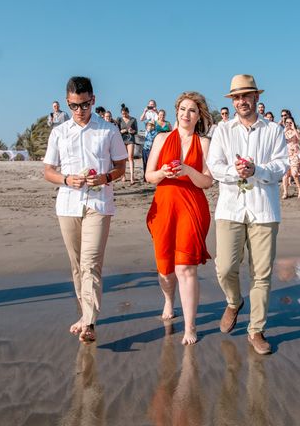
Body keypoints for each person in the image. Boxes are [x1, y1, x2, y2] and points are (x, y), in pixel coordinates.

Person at [207, 74, 289, 355]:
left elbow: (282, 166)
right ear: (233, 101)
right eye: (237, 97)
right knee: (225, 267)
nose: (242, 101)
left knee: (261, 273)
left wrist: (257, 170)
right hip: (230, 207)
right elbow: (214, 166)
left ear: (257, 97)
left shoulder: (274, 130)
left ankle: (256, 329)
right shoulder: (223, 130)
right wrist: (235, 171)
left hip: (264, 209)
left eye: (246, 96)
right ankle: (233, 301)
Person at [43, 76, 127, 343]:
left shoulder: (108, 130)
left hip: (99, 203)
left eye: (84, 105)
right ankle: (84, 313)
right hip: (67, 204)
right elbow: (48, 171)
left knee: (91, 263)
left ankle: (89, 322)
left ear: (93, 100)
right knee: (77, 265)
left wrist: (105, 178)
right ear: (67, 103)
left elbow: (121, 168)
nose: (79, 111)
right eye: (73, 106)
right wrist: (67, 179)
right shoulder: (59, 132)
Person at [146, 91, 214, 345]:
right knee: (165, 270)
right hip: (164, 207)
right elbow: (148, 176)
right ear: (177, 112)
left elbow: (207, 181)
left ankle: (190, 326)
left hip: (192, 207)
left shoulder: (204, 143)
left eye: (192, 111)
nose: (186, 114)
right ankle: (167, 299)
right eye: (183, 109)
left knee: (185, 267)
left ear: (199, 116)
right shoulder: (162, 139)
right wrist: (163, 172)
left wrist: (187, 169)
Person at [281, 117, 300, 199]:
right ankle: (285, 192)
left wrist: (293, 128)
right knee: (285, 175)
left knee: (294, 173)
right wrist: (285, 129)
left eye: (290, 122)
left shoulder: (296, 131)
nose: (288, 124)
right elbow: (279, 140)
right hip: (286, 155)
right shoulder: (283, 132)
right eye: (287, 122)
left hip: (295, 154)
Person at [117, 104, 138, 184]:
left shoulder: (133, 119)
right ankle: (123, 175)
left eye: (125, 113)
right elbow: (116, 130)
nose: (124, 115)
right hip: (122, 140)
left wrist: (132, 131)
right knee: (123, 158)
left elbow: (136, 131)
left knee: (130, 157)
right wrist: (121, 131)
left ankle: (132, 177)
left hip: (130, 139)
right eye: (122, 114)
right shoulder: (119, 119)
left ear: (128, 112)